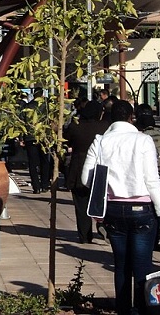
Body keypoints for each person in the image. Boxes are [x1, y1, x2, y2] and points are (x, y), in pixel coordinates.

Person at [82, 100, 160, 315]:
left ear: (110, 117)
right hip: (142, 210)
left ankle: (123, 309)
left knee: (121, 264)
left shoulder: (100, 141)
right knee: (142, 265)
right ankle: (142, 310)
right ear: (131, 117)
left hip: (113, 210)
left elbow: (86, 179)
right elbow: (152, 180)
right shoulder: (143, 140)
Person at [65, 99, 109, 243]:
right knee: (102, 200)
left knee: (81, 204)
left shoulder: (75, 126)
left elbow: (67, 141)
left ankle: (84, 235)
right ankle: (103, 226)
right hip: (99, 168)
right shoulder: (105, 127)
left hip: (78, 167)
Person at [21, 88, 52, 194]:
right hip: (43, 136)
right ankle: (44, 184)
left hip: (30, 136)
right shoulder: (46, 106)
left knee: (32, 163)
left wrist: (22, 137)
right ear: (42, 95)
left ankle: (36, 186)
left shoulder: (27, 106)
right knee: (45, 161)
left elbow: (22, 122)